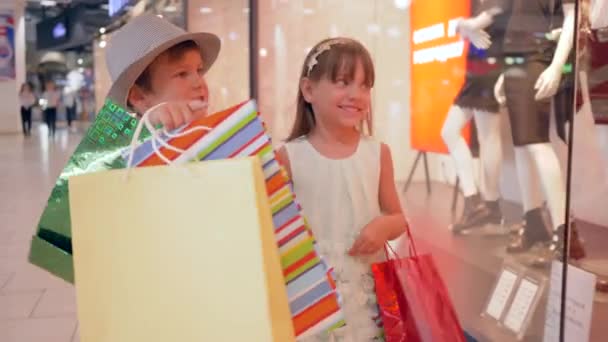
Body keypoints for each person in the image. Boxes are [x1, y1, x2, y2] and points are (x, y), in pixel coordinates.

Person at [276, 37, 406, 341]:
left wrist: (383, 225)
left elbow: (399, 217)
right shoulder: (288, 157)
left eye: (364, 86)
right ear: (308, 90)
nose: (356, 95)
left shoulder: (378, 153)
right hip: (313, 299)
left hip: (369, 297)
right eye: (343, 82)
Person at [104, 14, 220, 128]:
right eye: (182, 74)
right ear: (139, 97)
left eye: (199, 70)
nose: (199, 83)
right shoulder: (144, 145)